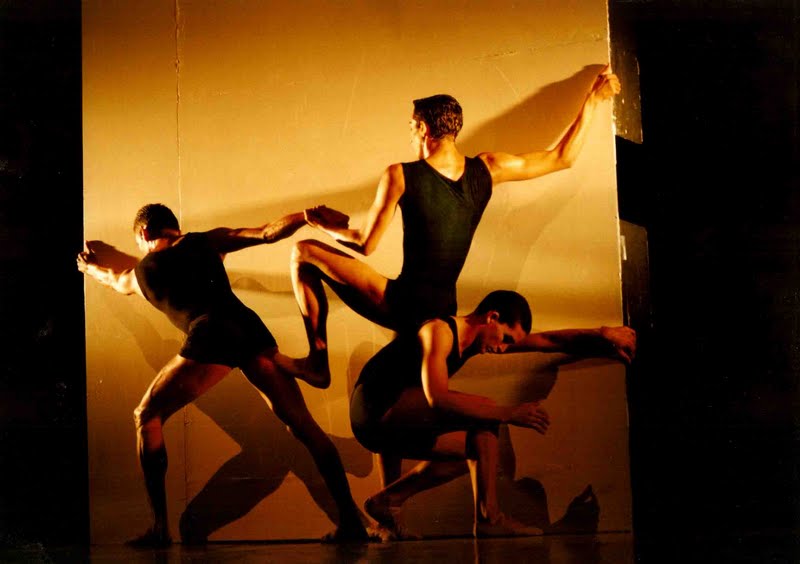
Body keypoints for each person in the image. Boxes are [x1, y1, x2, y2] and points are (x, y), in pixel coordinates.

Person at [283, 66, 621, 389]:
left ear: (423, 129)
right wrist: (593, 98)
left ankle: (317, 361)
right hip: (444, 312)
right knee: (405, 388)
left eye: (411, 127)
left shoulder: (400, 175)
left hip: (404, 303)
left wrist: (322, 224)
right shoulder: (488, 168)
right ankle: (601, 337)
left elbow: (364, 243)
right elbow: (562, 157)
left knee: (303, 252)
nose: (410, 135)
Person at [77, 203, 368, 546]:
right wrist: (306, 216)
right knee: (304, 426)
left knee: (146, 416)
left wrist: (90, 268)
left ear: (143, 233)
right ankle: (351, 522)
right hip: (250, 331)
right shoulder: (206, 241)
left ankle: (159, 528)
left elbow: (113, 280)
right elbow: (266, 233)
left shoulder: (144, 271)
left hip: (211, 335)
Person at [348, 290, 635, 539]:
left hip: (391, 422)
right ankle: (491, 518)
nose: (503, 349)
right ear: (492, 317)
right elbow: (437, 398)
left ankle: (390, 500)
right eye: (505, 338)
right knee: (484, 410)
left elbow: (549, 340)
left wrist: (602, 337)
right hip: (371, 410)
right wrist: (508, 412)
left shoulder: (475, 342)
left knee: (479, 447)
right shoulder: (439, 332)